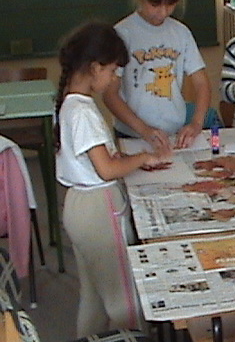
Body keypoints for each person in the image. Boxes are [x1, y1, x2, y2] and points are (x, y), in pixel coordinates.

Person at [55, 22, 169, 337]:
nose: (115, 78)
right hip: (98, 209)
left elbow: (94, 160)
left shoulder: (70, 103)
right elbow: (105, 170)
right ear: (95, 67)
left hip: (79, 205)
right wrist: (143, 158)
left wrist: (125, 160)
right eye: (113, 70)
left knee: (93, 298)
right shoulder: (83, 112)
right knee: (124, 304)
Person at [103, 0, 211, 150]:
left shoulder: (181, 33)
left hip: (173, 134)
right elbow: (110, 94)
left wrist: (196, 123)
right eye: (155, 4)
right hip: (132, 135)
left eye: (170, 4)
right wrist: (144, 130)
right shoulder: (122, 33)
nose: (162, 12)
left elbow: (202, 83)